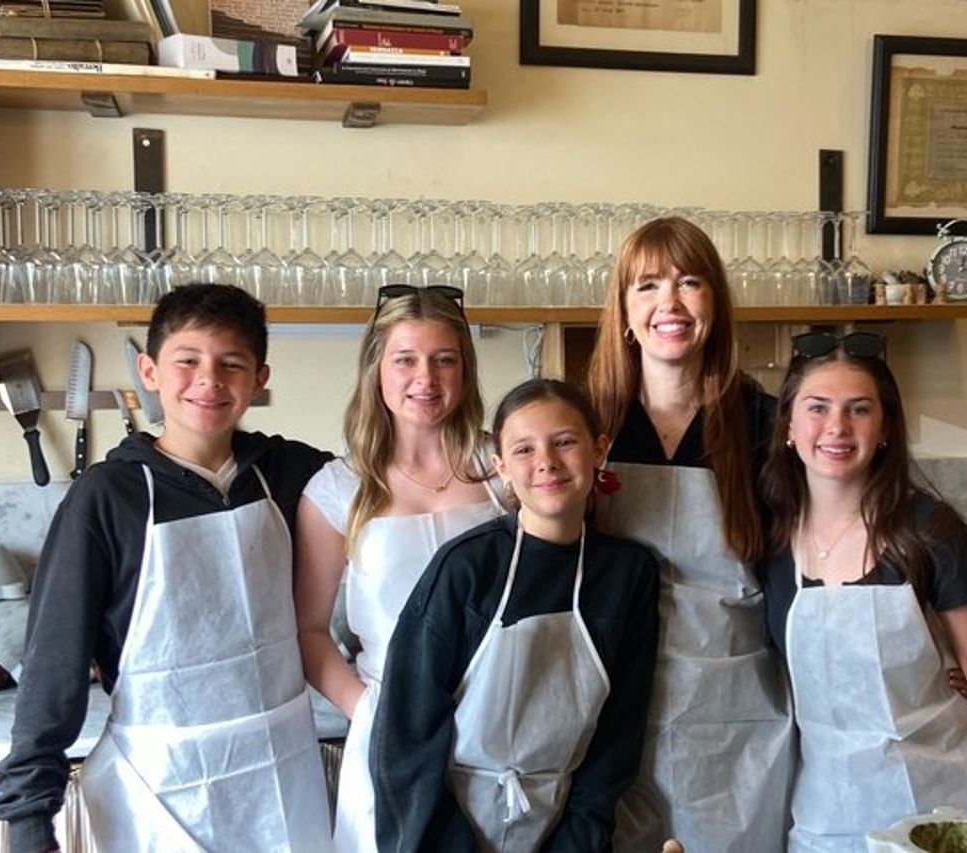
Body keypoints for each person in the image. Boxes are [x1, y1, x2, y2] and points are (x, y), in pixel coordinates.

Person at [0, 283, 334, 852]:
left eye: (232, 364)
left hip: (281, 774)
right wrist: (29, 821)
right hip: (159, 790)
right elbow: (55, 661)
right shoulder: (108, 497)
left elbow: (397, 473)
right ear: (149, 371)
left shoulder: (288, 473)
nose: (209, 380)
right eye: (188, 361)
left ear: (259, 380)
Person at [759, 330, 967, 851]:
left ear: (885, 427)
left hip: (944, 816)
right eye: (817, 408)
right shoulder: (770, 545)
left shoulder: (934, 534)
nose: (837, 427)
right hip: (826, 820)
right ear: (789, 426)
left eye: (859, 409)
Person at [370, 378, 660, 852]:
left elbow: (617, 739)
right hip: (446, 826)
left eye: (565, 441)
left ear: (599, 450)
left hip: (561, 825)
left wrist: (575, 842)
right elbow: (406, 736)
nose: (546, 461)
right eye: (524, 449)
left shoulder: (628, 574)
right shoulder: (465, 568)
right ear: (502, 468)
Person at [585, 216, 795, 851]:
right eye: (647, 286)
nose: (668, 304)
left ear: (716, 305)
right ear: (623, 311)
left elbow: (826, 552)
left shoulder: (764, 425)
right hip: (614, 704)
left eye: (689, 282)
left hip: (739, 708)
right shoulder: (587, 424)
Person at [294, 284, 506, 852]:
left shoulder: (505, 466)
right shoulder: (338, 489)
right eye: (405, 360)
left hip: (500, 719)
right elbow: (308, 631)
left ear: (466, 370)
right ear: (376, 370)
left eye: (444, 360)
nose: (426, 379)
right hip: (390, 731)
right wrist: (368, 712)